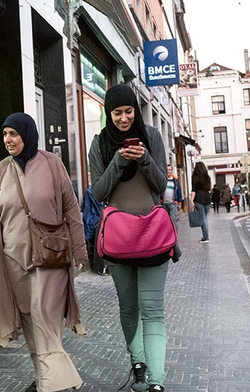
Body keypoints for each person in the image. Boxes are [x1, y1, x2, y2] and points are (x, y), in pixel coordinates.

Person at [0, 112, 86, 392]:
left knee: (44, 317)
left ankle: (52, 386)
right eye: (4, 135)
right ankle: (51, 381)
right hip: (14, 262)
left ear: (28, 134)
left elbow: (71, 209)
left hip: (50, 257)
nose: (8, 140)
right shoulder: (0, 171)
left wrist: (81, 251)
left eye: (13, 134)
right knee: (32, 321)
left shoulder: (52, 164)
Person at [88, 84, 169, 392]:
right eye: (117, 113)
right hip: (118, 240)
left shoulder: (152, 137)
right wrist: (119, 161)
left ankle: (156, 382)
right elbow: (98, 192)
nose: (124, 119)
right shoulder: (99, 144)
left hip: (153, 235)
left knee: (153, 310)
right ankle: (138, 363)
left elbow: (160, 185)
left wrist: (145, 158)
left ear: (136, 110)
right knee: (128, 307)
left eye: (129, 111)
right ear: (109, 114)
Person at [190, 162, 212, 243]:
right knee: (205, 217)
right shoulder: (207, 177)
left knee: (203, 218)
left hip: (199, 198)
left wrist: (191, 200)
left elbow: (194, 190)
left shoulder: (195, 177)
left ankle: (206, 237)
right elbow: (209, 188)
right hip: (207, 198)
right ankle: (204, 236)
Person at [160, 164, 182, 229]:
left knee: (173, 220)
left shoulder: (175, 182)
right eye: (167, 170)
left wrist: (179, 203)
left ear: (171, 171)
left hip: (173, 203)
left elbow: (179, 192)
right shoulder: (163, 180)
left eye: (169, 170)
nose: (168, 171)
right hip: (163, 203)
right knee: (164, 221)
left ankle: (175, 235)